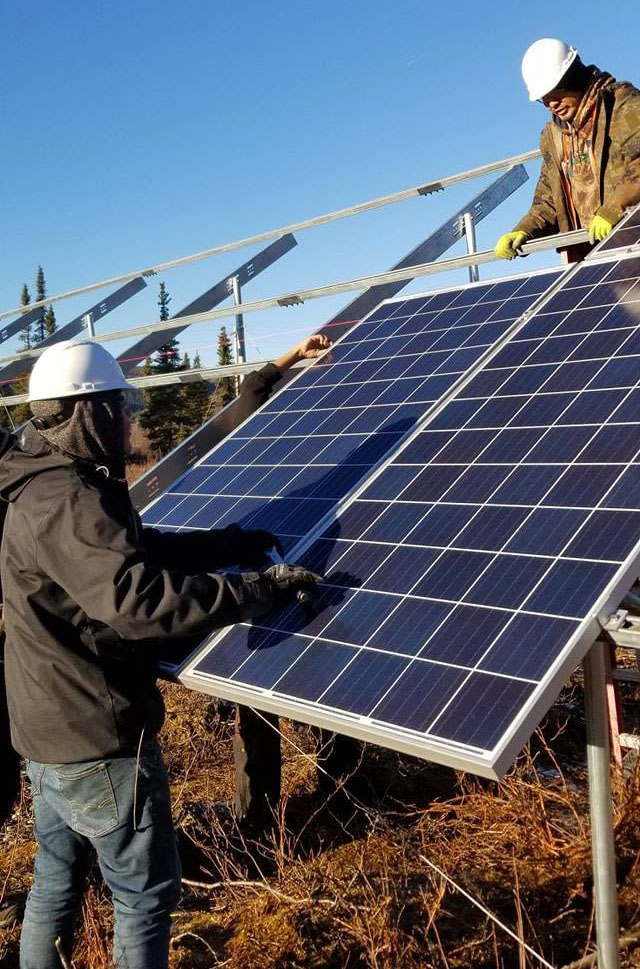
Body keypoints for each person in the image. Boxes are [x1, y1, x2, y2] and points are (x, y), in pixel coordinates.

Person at [0, 339, 320, 969]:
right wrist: (253, 591)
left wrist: (224, 544)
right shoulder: (70, 499)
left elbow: (132, 553)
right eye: (119, 408)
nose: (129, 421)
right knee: (143, 897)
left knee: (56, 880)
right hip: (96, 734)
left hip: (45, 727)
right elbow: (137, 599)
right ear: (87, 414)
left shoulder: (41, 484)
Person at [222, 334, 363, 836]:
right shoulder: (270, 439)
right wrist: (294, 356)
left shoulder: (352, 443)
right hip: (266, 574)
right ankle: (257, 817)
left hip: (319, 572)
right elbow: (252, 394)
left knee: (329, 682)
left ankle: (340, 796)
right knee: (255, 697)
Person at [495, 38, 640, 261]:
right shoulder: (553, 137)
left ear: (574, 78)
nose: (551, 104)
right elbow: (548, 201)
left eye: (556, 93)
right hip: (590, 256)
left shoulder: (622, 106)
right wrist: (524, 230)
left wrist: (613, 208)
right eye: (545, 100)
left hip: (632, 239)